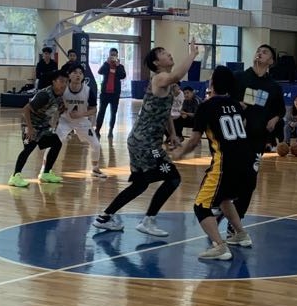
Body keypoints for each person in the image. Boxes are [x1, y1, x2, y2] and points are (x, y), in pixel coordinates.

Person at [91, 40, 200, 236]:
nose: (169, 54)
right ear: (157, 63)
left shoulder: (167, 84)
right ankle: (148, 220)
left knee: (140, 184)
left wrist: (172, 133)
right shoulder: (160, 78)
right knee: (173, 177)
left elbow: (165, 112)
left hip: (141, 141)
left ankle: (105, 217)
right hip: (146, 144)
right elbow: (177, 75)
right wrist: (192, 54)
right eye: (164, 53)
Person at [172, 65, 254, 261]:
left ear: (213, 83)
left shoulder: (206, 106)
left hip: (225, 163)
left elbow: (194, 141)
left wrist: (179, 153)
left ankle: (219, 246)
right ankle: (241, 234)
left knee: (201, 206)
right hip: (246, 161)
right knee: (224, 199)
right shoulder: (236, 105)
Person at [233, 43, 285, 223]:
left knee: (250, 182)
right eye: (258, 51)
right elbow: (225, 99)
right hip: (235, 137)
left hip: (257, 139)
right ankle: (219, 209)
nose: (259, 54)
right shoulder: (239, 77)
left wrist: (275, 119)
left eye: (264, 52)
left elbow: (280, 110)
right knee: (232, 178)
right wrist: (237, 106)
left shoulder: (273, 86)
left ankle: (236, 221)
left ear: (271, 61)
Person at [9, 70, 68, 187]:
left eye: (66, 82)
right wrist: (30, 128)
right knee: (29, 148)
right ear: (54, 81)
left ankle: (45, 173)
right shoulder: (44, 95)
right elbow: (25, 109)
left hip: (43, 125)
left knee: (56, 143)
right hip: (30, 124)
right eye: (61, 81)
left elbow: (59, 110)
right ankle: (15, 177)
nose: (64, 84)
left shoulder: (59, 95)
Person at [56, 66, 106, 178]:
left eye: (80, 73)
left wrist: (81, 114)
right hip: (65, 121)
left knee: (96, 144)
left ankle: (95, 169)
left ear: (83, 76)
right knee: (53, 144)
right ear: (69, 75)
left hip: (82, 121)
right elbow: (55, 104)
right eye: (75, 72)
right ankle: (44, 170)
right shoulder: (63, 89)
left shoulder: (88, 90)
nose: (78, 75)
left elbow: (94, 109)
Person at [95, 48, 127, 137]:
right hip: (105, 94)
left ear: (117, 56)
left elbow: (123, 76)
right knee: (101, 112)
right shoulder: (106, 65)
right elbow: (100, 72)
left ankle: (111, 130)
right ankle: (97, 130)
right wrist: (106, 63)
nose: (113, 56)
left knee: (113, 113)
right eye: (111, 55)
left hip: (115, 94)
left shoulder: (120, 66)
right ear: (109, 55)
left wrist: (118, 66)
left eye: (114, 55)